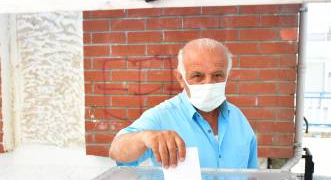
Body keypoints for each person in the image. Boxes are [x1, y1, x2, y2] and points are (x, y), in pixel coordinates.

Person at [109, 38, 257, 170]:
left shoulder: (238, 118)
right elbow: (116, 150)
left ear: (227, 76)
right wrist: (144, 137)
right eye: (197, 76)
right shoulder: (162, 117)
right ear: (181, 78)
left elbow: (251, 178)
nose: (208, 83)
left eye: (217, 75)